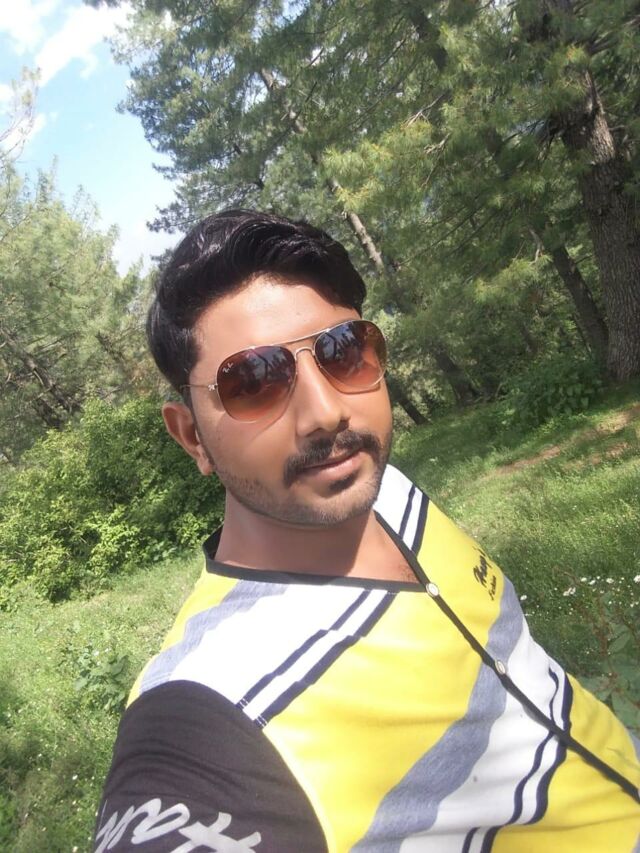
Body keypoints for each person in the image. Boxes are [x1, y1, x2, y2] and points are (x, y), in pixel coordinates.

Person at [94, 209, 640, 853]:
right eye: (254, 381)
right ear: (192, 436)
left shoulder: (390, 491)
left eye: (343, 351)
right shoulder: (214, 705)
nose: (326, 412)